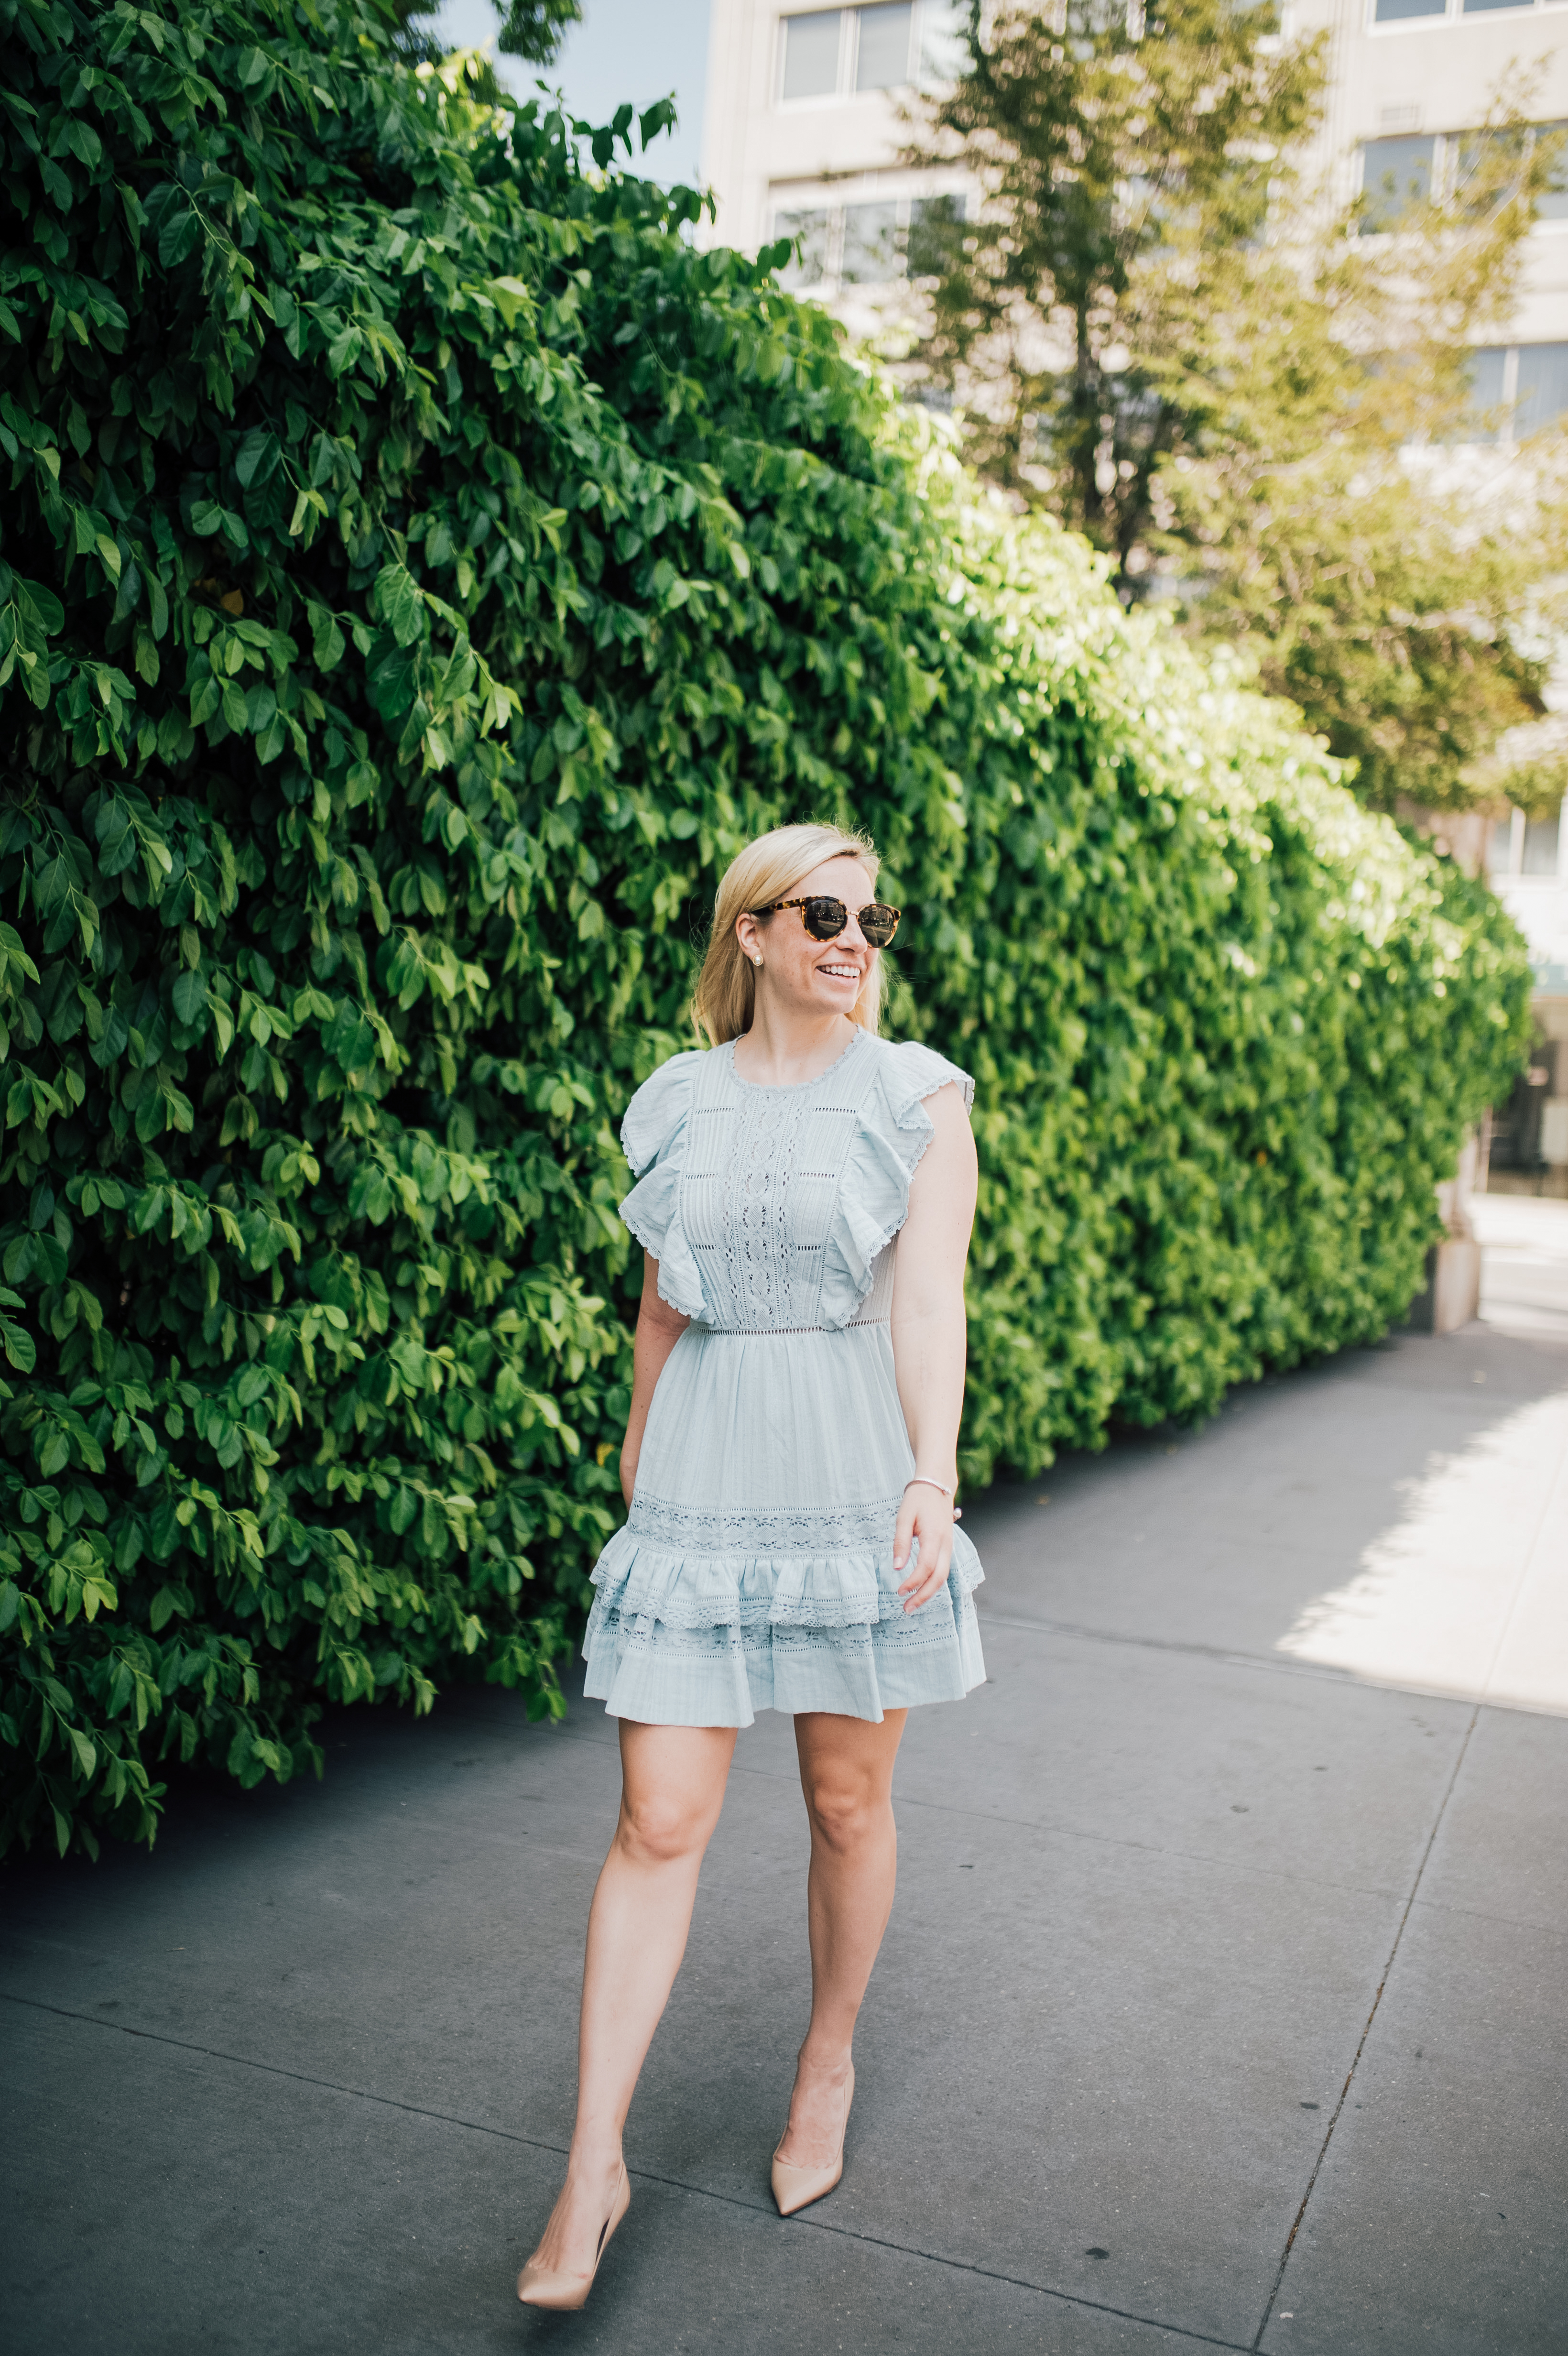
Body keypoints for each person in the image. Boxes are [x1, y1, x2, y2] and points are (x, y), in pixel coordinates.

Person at [516, 821, 985, 2311]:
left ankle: (828, 2062)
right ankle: (593, 2164)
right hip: (706, 1468)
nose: (857, 937)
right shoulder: (674, 1101)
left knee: (848, 1803)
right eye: (825, 912)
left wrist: (932, 1475)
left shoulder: (917, 1095)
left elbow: (930, 1307)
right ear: (755, 935)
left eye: (876, 915)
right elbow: (661, 1306)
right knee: (660, 1818)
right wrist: (640, 1449)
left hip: (855, 1464)